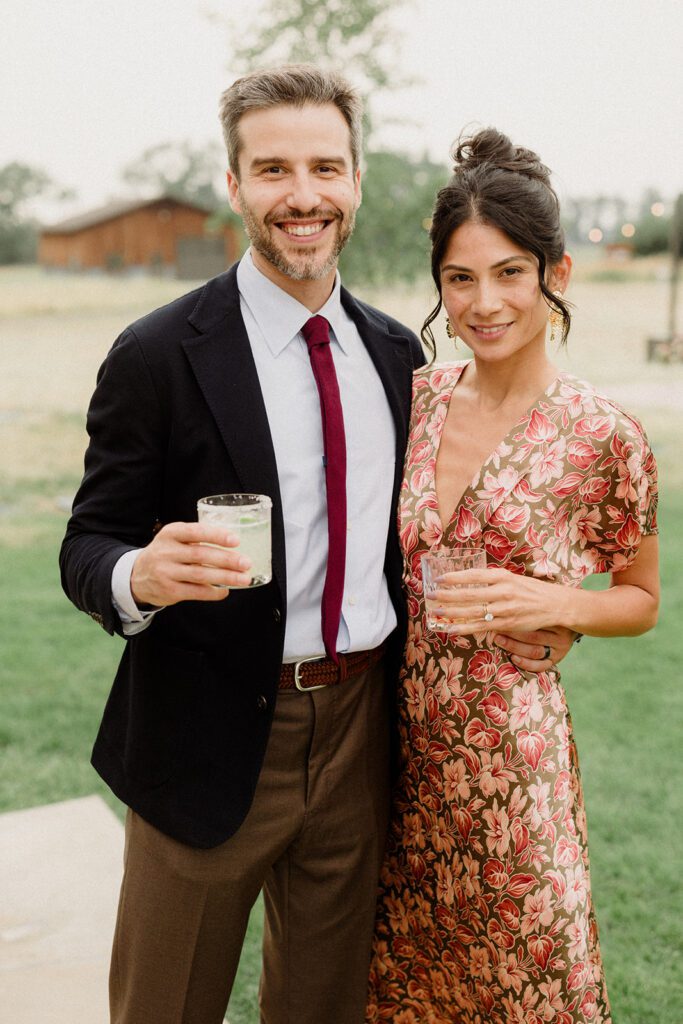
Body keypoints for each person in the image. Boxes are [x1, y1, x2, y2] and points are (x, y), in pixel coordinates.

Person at [60, 66, 573, 1023]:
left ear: (356, 180)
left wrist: (551, 618)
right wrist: (138, 572)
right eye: (273, 170)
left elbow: (439, 529)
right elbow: (88, 541)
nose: (302, 195)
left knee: (327, 1006)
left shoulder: (398, 357)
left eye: (324, 167)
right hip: (203, 741)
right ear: (234, 186)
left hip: (364, 731)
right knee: (163, 1007)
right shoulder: (158, 353)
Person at [366, 128, 660, 1024]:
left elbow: (641, 600)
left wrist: (560, 604)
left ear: (554, 275)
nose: (483, 301)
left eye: (508, 274)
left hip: (512, 772)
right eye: (460, 278)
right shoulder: (408, 401)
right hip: (387, 758)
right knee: (400, 990)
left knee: (527, 992)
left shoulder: (602, 435)